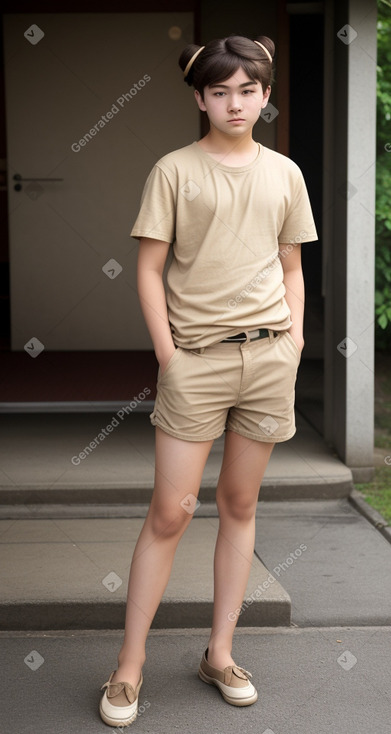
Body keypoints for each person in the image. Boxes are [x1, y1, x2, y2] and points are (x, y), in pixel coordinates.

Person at [99, 33, 318, 727]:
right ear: (198, 97)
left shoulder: (284, 173)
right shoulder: (173, 170)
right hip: (195, 361)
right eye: (219, 91)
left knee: (239, 506)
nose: (234, 102)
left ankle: (218, 653)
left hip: (268, 358)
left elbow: (289, 265)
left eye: (247, 90)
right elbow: (148, 268)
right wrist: (168, 355)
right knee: (171, 512)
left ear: (264, 94)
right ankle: (128, 666)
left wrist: (295, 338)